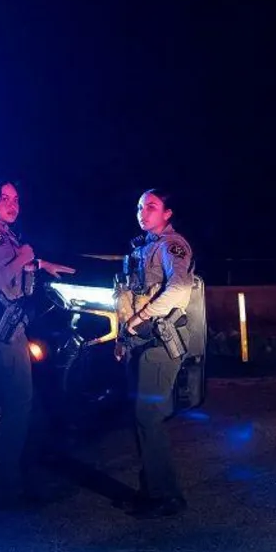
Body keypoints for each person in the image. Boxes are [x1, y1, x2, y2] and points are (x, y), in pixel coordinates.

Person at [0, 178, 74, 506]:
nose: (13, 204)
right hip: (1, 333)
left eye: (16, 199)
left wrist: (38, 264)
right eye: (5, 198)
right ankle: (6, 488)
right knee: (18, 405)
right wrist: (24, 256)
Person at [114, 188, 194, 518]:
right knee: (142, 418)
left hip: (161, 341)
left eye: (152, 207)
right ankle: (152, 491)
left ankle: (167, 497)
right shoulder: (144, 247)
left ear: (168, 213)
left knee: (148, 418)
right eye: (139, 207)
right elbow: (130, 295)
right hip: (142, 341)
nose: (143, 212)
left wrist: (138, 319)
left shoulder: (169, 245)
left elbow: (179, 288)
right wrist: (125, 336)